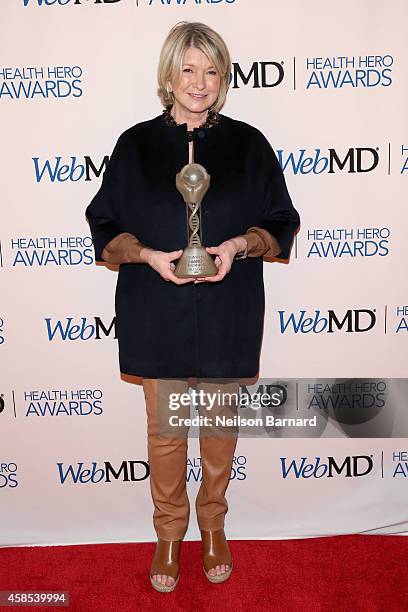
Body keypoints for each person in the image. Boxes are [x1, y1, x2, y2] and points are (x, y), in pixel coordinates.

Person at [85, 21, 300, 593]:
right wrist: (147, 254)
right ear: (168, 74)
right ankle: (168, 534)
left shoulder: (249, 143)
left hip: (229, 307)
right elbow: (103, 223)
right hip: (156, 308)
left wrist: (237, 244)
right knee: (166, 433)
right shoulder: (134, 144)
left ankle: (213, 526)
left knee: (220, 428)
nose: (199, 83)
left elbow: (282, 220)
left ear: (223, 78)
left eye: (211, 71)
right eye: (188, 69)